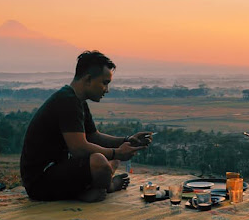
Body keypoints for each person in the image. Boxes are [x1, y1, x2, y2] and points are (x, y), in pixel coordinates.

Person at [20, 51, 152, 202]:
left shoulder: (77, 100)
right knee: (100, 162)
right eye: (104, 83)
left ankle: (90, 189)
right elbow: (79, 148)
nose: (106, 90)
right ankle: (107, 186)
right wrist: (116, 153)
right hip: (40, 182)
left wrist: (126, 140)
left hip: (58, 170)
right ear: (88, 79)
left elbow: (93, 136)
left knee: (110, 160)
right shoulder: (67, 101)